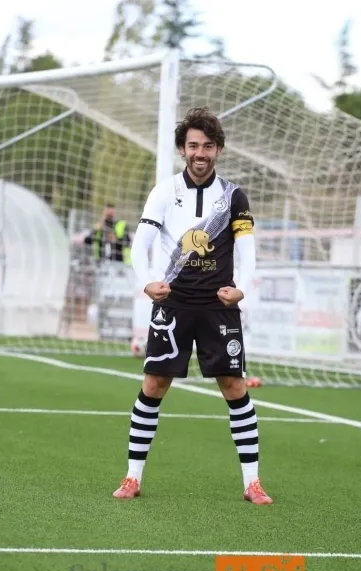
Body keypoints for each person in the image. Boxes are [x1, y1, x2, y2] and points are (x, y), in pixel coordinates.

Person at [111, 106, 270, 505]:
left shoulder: (234, 196)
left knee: (234, 388)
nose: (201, 153)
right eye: (193, 145)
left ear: (218, 150)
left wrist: (242, 288)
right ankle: (132, 477)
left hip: (219, 307)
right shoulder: (165, 191)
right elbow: (141, 247)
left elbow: (247, 251)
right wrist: (146, 282)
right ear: (183, 149)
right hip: (175, 304)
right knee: (154, 385)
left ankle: (252, 483)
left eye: (208, 146)